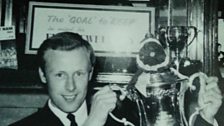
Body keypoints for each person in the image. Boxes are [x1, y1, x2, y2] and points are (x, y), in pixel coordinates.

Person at [9, 32, 222, 126]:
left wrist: (204, 118)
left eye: (79, 73)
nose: (71, 86)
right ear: (42, 75)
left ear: (91, 73)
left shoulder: (125, 121)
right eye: (60, 75)